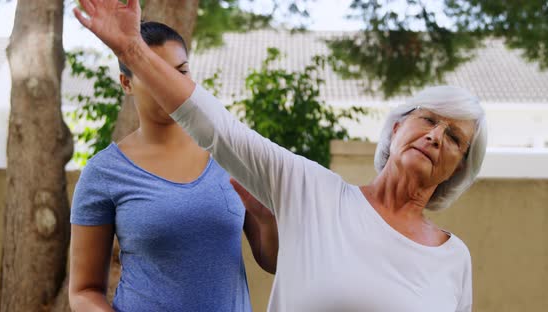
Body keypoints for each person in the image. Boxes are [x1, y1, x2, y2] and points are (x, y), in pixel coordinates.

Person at [73, 1, 487, 311]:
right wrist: (132, 49)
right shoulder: (315, 192)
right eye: (428, 119)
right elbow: (218, 127)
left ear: (461, 167)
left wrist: (265, 224)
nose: (435, 136)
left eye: (453, 138)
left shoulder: (454, 259)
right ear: (396, 127)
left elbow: (268, 256)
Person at [68, 21, 278, 312]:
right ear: (126, 83)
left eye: (180, 72)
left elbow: (273, 262)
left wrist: (268, 222)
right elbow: (83, 291)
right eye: (153, 74)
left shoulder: (230, 153)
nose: (171, 84)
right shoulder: (104, 173)